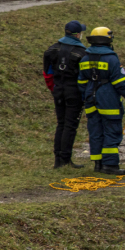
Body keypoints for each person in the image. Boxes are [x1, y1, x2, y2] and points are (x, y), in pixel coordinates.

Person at [78, 26, 125, 176]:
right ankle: (110, 165)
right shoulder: (112, 58)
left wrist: (86, 96)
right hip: (108, 98)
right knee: (112, 130)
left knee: (95, 131)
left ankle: (98, 163)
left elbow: (81, 82)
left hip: (90, 98)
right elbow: (120, 82)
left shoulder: (85, 58)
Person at [43, 20, 88, 168]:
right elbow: (83, 77)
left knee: (61, 124)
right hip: (73, 92)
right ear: (77, 34)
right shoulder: (82, 53)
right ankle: (65, 159)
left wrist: (54, 89)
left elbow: (47, 74)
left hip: (58, 90)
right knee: (70, 125)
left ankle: (58, 160)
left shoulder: (51, 50)